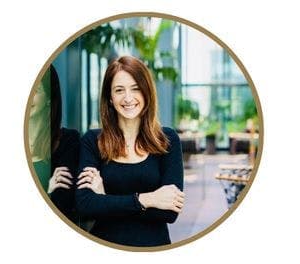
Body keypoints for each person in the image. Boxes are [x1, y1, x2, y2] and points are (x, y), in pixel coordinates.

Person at [75, 56, 185, 247]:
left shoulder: (167, 140)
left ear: (146, 92)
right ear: (110, 97)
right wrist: (148, 199)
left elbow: (169, 212)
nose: (128, 98)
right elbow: (85, 205)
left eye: (135, 88)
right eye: (119, 90)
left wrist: (105, 200)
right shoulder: (93, 141)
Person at [29, 65, 80, 222]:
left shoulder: (68, 142)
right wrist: (48, 190)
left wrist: (49, 193)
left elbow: (65, 206)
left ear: (49, 98)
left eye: (35, 91)